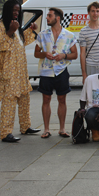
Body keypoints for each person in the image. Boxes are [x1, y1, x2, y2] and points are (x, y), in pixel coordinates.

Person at [0, 0, 41, 142]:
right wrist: (9, 31)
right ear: (7, 10)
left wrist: (31, 29)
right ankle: (6, 133)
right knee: (9, 102)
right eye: (13, 10)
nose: (16, 13)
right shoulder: (0, 26)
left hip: (20, 71)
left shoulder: (17, 26)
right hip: (8, 72)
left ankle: (26, 126)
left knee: (25, 98)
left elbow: (23, 41)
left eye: (18, 11)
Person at [34, 7, 78, 139]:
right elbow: (36, 53)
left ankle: (62, 128)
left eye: (49, 16)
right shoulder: (42, 34)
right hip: (46, 71)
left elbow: (75, 54)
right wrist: (45, 54)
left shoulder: (69, 35)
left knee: (62, 99)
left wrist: (63, 55)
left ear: (57, 18)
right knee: (46, 99)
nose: (47, 18)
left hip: (61, 71)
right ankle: (46, 129)